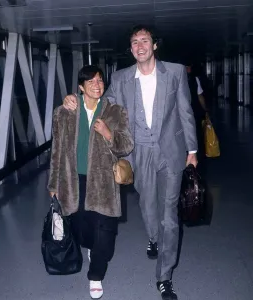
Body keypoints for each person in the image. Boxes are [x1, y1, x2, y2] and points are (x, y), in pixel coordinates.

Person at [63, 25, 198, 300]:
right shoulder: (122, 77)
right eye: (134, 42)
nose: (139, 46)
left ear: (154, 45)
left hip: (171, 151)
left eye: (144, 40)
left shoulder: (174, 72)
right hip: (138, 152)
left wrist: (192, 151)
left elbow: (185, 110)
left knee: (169, 216)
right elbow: (103, 101)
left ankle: (164, 277)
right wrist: (75, 99)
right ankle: (153, 236)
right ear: (131, 48)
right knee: (148, 205)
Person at [47, 65, 134, 299]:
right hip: (74, 183)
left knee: (106, 233)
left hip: (104, 184)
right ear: (81, 88)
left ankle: (96, 275)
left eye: (100, 80)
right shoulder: (64, 112)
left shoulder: (114, 112)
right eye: (91, 82)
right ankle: (91, 249)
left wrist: (108, 134)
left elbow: (127, 145)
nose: (97, 85)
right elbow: (56, 152)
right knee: (82, 231)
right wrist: (53, 185)